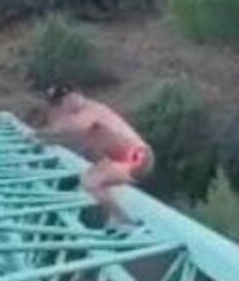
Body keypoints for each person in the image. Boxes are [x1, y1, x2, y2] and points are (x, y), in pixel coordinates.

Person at [38, 85, 153, 230]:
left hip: (136, 158)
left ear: (76, 95)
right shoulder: (86, 114)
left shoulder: (91, 111)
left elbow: (67, 130)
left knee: (90, 181)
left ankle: (122, 220)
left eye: (65, 100)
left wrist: (38, 135)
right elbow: (69, 138)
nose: (64, 106)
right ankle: (115, 218)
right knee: (91, 178)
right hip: (126, 158)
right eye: (60, 103)